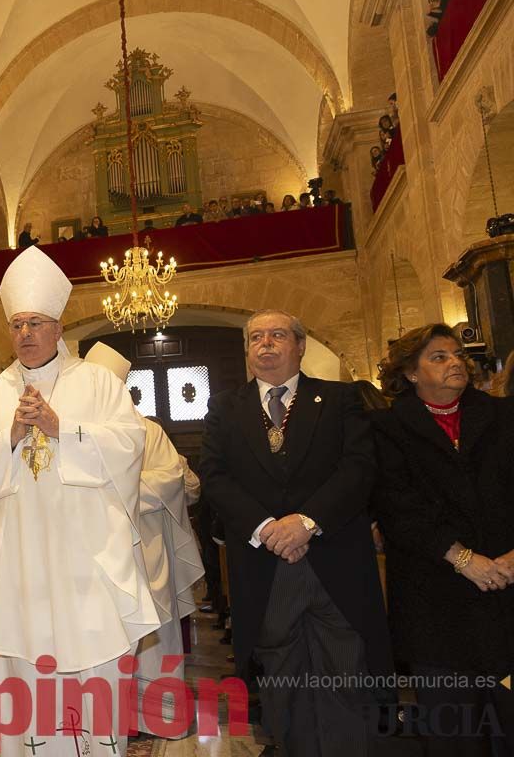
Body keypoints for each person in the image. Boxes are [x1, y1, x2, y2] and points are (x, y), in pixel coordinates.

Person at [0, 247, 158, 756]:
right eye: (17, 323)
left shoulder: (97, 383)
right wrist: (11, 436)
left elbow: (130, 447)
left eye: (35, 322)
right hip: (20, 566)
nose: (24, 333)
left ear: (58, 326)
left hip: (84, 564)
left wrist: (60, 428)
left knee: (91, 671)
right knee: (28, 681)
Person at [199, 309, 391, 756]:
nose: (265, 344)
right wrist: (267, 528)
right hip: (266, 569)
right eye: (256, 338)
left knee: (346, 673)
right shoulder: (224, 408)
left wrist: (305, 522)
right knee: (282, 681)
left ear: (299, 346)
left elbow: (358, 469)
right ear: (247, 350)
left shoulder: (340, 400)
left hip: (333, 563)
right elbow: (214, 475)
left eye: (278, 335)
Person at [372, 324, 514, 757]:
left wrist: (510, 558)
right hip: (433, 602)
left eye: (457, 355)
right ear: (411, 373)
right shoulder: (386, 428)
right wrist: (464, 558)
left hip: (508, 592)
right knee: (455, 735)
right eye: (438, 357)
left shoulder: (504, 415)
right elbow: (397, 508)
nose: (454, 362)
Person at [85, 343, 204, 738]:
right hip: (89, 552)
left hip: (143, 548)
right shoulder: (71, 431)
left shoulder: (145, 430)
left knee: (151, 632)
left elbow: (170, 479)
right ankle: (106, 718)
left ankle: (156, 716)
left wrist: (112, 490)